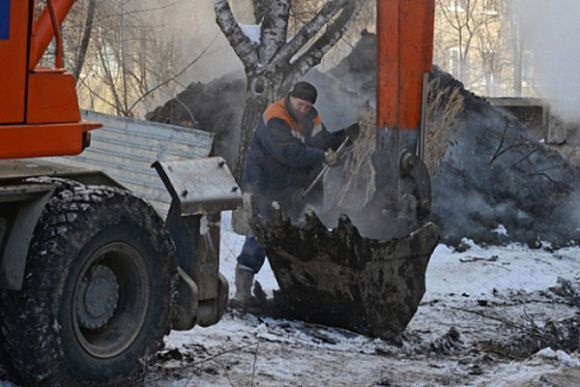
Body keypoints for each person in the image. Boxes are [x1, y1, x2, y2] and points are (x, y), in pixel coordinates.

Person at [234, 81, 358, 304]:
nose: (303, 110)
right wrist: (322, 157)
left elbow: (322, 142)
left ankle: (300, 290)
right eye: (300, 105)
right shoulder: (275, 115)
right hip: (264, 183)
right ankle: (243, 290)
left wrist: (345, 136)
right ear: (290, 98)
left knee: (301, 233)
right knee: (260, 232)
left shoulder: (312, 117)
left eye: (307, 106)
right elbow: (287, 152)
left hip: (291, 186)